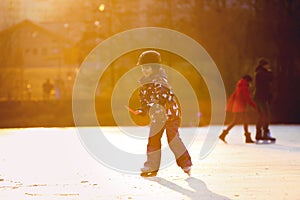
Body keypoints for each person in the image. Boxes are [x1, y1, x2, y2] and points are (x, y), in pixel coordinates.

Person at [134, 50, 192, 177]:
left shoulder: (161, 81)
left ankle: (185, 163)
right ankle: (151, 165)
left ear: (154, 68)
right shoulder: (144, 84)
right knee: (153, 140)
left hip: (170, 114)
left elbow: (161, 97)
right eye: (143, 67)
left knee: (173, 139)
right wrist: (143, 109)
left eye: (147, 67)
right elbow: (144, 100)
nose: (144, 70)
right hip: (157, 117)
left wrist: (150, 106)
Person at [219, 75, 258, 144]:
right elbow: (247, 98)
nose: (251, 84)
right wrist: (255, 106)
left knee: (235, 122)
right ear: (247, 81)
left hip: (237, 108)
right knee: (245, 121)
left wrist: (229, 106)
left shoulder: (239, 87)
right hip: (241, 108)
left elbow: (233, 97)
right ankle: (247, 138)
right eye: (250, 82)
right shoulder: (244, 87)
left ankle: (223, 134)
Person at [254, 58, 276, 141]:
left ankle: (259, 134)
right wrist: (269, 72)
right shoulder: (261, 73)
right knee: (266, 115)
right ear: (263, 65)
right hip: (261, 98)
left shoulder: (260, 73)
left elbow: (270, 80)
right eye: (266, 65)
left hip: (260, 97)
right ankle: (265, 133)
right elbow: (270, 78)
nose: (268, 66)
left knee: (262, 116)